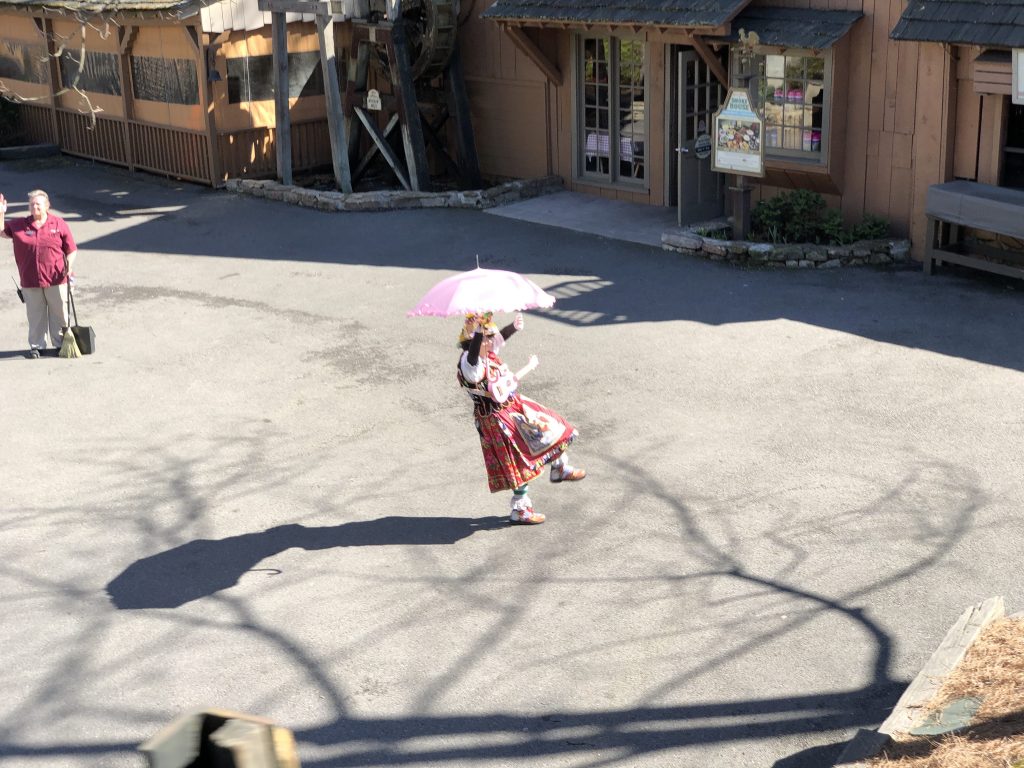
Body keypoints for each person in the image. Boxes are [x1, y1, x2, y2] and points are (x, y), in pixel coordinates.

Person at [457, 311, 586, 525]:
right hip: (496, 418)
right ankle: (521, 509)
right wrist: (477, 333)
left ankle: (559, 466)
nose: (491, 342)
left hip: (514, 405)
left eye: (490, 337)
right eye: (486, 338)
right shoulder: (470, 364)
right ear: (474, 340)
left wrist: (512, 327)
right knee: (517, 461)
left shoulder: (486, 354)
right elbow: (473, 357)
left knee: (548, 428)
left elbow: (496, 341)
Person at [0, 189, 78, 358]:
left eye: (38, 204)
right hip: (30, 279)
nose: (34, 206)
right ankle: (37, 346)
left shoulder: (59, 224)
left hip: (56, 278)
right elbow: (1, 232)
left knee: (59, 313)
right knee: (35, 314)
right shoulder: (20, 225)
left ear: (47, 206)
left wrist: (69, 267)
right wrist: (1, 212)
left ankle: (59, 344)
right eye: (32, 204)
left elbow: (72, 249)